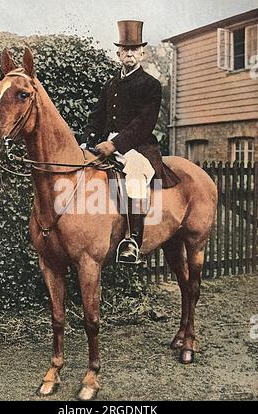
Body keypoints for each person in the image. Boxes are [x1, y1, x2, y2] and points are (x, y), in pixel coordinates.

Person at [79, 20, 180, 263]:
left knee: (135, 172)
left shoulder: (150, 85)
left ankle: (132, 241)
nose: (129, 54)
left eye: (134, 49)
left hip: (138, 146)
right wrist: (86, 142)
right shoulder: (111, 83)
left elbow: (143, 124)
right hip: (106, 143)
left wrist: (114, 145)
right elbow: (97, 116)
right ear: (118, 54)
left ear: (142, 53)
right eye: (125, 49)